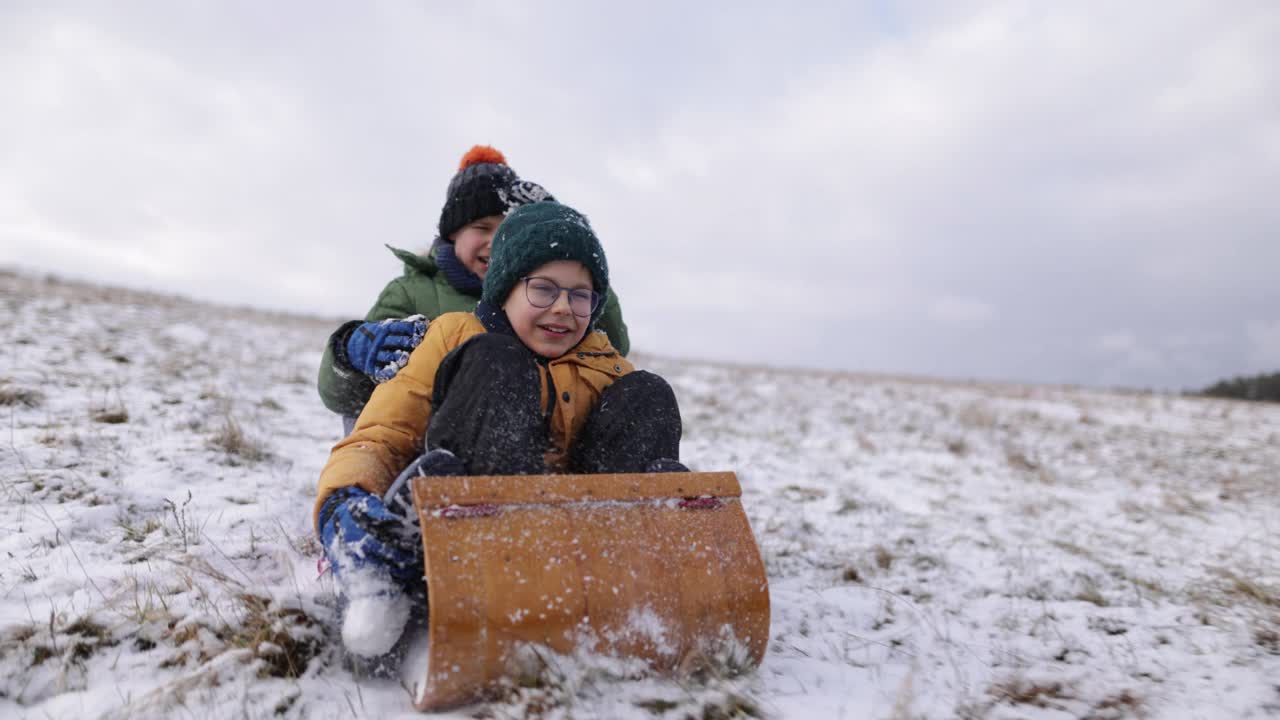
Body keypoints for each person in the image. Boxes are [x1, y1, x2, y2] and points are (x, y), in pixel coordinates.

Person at [313, 201, 685, 672]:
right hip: (469, 526)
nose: (562, 309)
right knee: (494, 361)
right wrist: (344, 499)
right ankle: (399, 579)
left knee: (647, 393)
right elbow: (383, 432)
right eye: (543, 289)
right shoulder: (454, 335)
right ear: (505, 288)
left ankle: (641, 567)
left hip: (570, 542)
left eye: (581, 295)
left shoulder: (604, 364)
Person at [317, 146, 632, 432]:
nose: (496, 242)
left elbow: (613, 348)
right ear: (453, 234)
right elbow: (343, 399)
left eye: (508, 228)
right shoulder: (411, 292)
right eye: (482, 228)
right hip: (431, 442)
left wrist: (561, 234)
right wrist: (350, 356)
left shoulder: (548, 298)